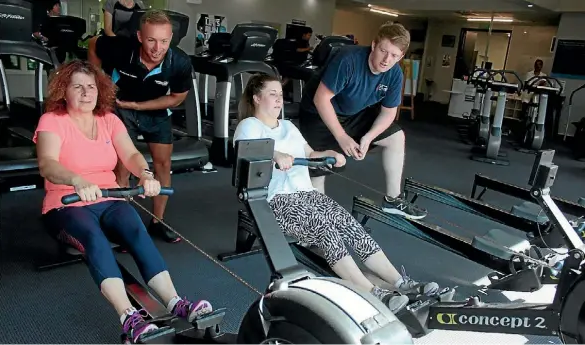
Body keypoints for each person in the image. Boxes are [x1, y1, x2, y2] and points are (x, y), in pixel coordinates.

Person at [33, 60, 213, 343]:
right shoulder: (52, 121)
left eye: (91, 86)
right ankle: (128, 316)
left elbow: (130, 154)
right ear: (63, 91)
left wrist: (145, 174)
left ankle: (175, 302)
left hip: (109, 197)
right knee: (94, 238)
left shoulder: (108, 119)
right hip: (66, 202)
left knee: (134, 227)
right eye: (77, 86)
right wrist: (77, 180)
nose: (85, 92)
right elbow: (47, 164)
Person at [233, 73, 440, 314]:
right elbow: (245, 155)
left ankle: (401, 283)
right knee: (324, 229)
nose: (279, 100)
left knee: (349, 224)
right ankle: (373, 293)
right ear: (257, 98)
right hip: (275, 200)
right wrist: (275, 155)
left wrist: (331, 153)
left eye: (281, 94)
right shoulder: (248, 126)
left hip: (307, 194)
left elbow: (310, 154)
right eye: (272, 94)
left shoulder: (288, 126)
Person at [298, 22, 428, 220]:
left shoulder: (394, 74)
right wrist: (342, 136)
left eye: (394, 55)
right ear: (374, 45)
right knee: (320, 168)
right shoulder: (348, 59)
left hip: (353, 114)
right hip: (318, 113)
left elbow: (388, 113)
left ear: (401, 56)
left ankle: (393, 200)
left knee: (396, 137)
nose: (387, 60)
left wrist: (368, 137)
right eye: (384, 51)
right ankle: (317, 224)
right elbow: (321, 99)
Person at [88, 9, 192, 243]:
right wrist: (97, 81)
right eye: (151, 40)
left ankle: (158, 221)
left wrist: (139, 105)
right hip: (121, 108)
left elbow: (176, 97)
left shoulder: (180, 62)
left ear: (171, 38)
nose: (158, 48)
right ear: (139, 36)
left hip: (154, 111)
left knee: (163, 164)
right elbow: (94, 43)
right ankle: (123, 226)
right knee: (123, 166)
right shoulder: (121, 48)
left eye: (164, 41)